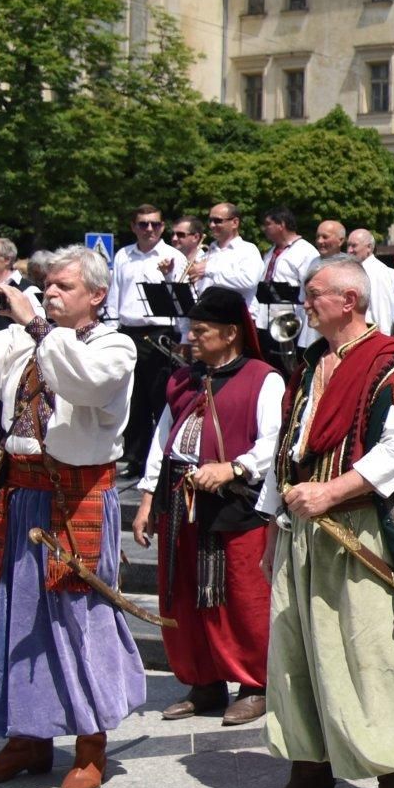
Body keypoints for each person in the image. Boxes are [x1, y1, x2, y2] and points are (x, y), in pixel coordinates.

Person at [0, 246, 143, 788]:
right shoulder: (24, 342)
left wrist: (34, 319)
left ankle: (91, 744)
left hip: (76, 497)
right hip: (23, 493)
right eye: (47, 285)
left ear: (96, 295)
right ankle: (27, 736)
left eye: (64, 287)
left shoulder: (114, 345)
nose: (50, 292)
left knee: (80, 616)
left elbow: (84, 384)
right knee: (18, 615)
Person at [259, 255, 394, 788]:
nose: (305, 303)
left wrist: (332, 492)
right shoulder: (312, 361)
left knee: (372, 649)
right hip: (301, 528)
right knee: (295, 650)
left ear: (350, 301)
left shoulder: (389, 364)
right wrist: (273, 521)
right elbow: (287, 445)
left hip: (358, 526)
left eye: (314, 294)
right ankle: (309, 767)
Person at [129, 286, 283, 726]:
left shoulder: (262, 378)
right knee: (184, 596)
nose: (191, 338)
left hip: (235, 504)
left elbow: (273, 440)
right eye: (190, 329)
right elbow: (164, 440)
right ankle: (205, 683)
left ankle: (256, 684)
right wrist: (145, 500)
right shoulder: (183, 379)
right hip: (181, 502)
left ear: (231, 332)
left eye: (201, 330)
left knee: (241, 596)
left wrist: (234, 468)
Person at [109, 203, 184, 503]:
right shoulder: (123, 255)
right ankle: (136, 458)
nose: (149, 229)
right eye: (143, 224)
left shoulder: (173, 256)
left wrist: (167, 277)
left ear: (162, 227)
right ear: (134, 227)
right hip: (129, 330)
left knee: (159, 398)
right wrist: (113, 326)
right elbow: (115, 292)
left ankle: (161, 460)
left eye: (154, 224)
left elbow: (180, 297)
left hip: (159, 331)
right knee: (133, 398)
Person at [258, 207, 319, 349]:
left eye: (268, 224)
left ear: (281, 225)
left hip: (291, 319)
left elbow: (310, 286)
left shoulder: (305, 251)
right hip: (269, 318)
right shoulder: (271, 251)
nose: (264, 229)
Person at [192, 204, 265, 301]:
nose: (212, 225)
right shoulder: (207, 254)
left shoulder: (248, 250)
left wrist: (208, 270)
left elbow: (249, 280)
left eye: (217, 221)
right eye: (210, 221)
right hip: (206, 313)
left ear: (235, 223)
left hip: (237, 314)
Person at [347, 228, 394, 334]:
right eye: (348, 245)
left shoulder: (377, 273)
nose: (349, 250)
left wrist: (383, 343)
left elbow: (382, 312)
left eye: (354, 246)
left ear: (369, 248)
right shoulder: (360, 270)